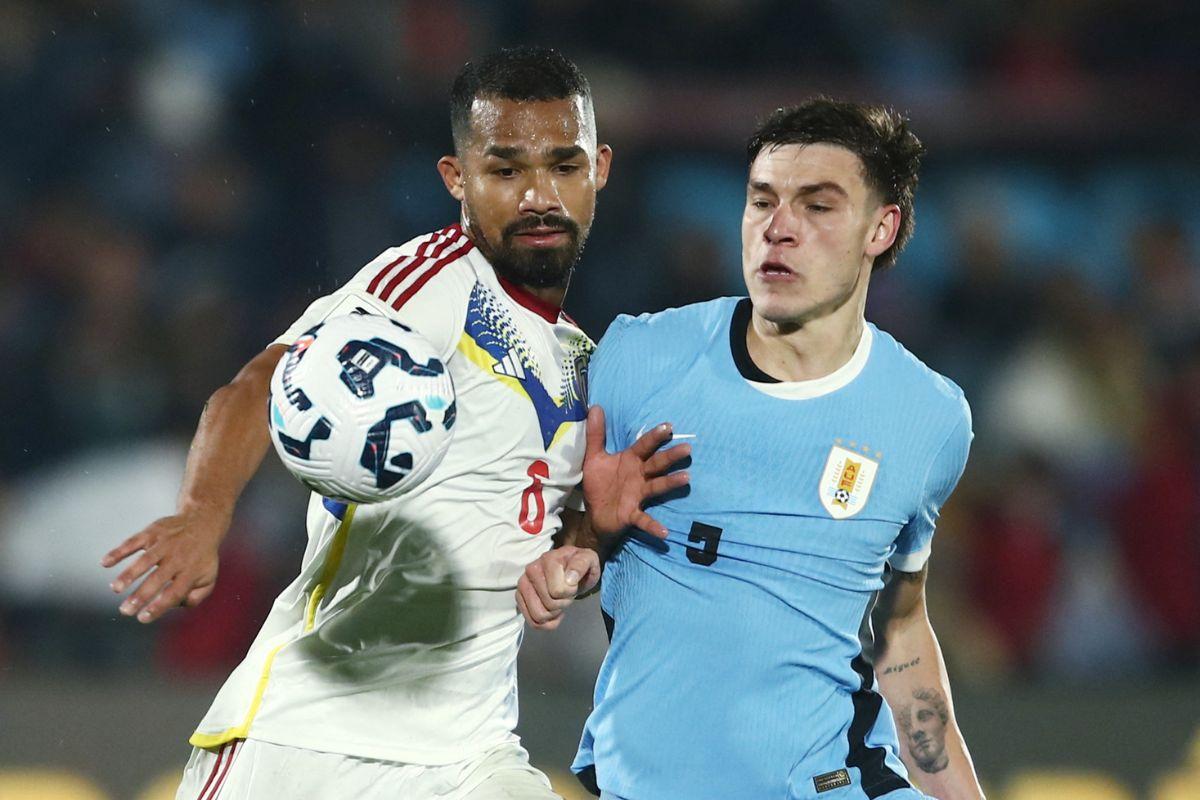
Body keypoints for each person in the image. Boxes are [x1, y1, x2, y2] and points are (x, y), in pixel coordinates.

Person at [100, 47, 686, 800]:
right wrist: (202, 514)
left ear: (599, 170)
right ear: (457, 179)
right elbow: (258, 385)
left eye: (564, 167)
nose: (540, 194)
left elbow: (527, 526)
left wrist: (582, 545)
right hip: (308, 740)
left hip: (470, 757)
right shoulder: (430, 287)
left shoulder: (580, 357)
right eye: (506, 171)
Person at [518, 99, 987, 799]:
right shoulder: (634, 360)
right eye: (761, 200)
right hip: (644, 783)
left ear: (879, 229)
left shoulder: (929, 417)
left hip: (834, 785)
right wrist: (581, 542)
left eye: (818, 206)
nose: (779, 228)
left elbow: (898, 621)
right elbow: (558, 541)